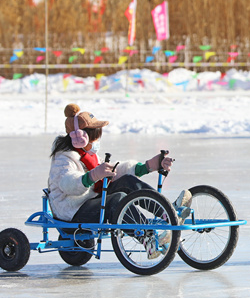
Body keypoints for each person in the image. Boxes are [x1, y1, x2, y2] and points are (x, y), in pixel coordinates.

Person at [48, 103, 192, 257]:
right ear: (80, 138)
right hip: (71, 213)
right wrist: (93, 175)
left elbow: (114, 171)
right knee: (117, 200)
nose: (97, 141)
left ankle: (167, 212)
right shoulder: (64, 159)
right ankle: (148, 239)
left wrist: (148, 166)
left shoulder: (87, 154)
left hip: (90, 199)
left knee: (127, 181)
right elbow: (68, 184)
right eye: (95, 137)